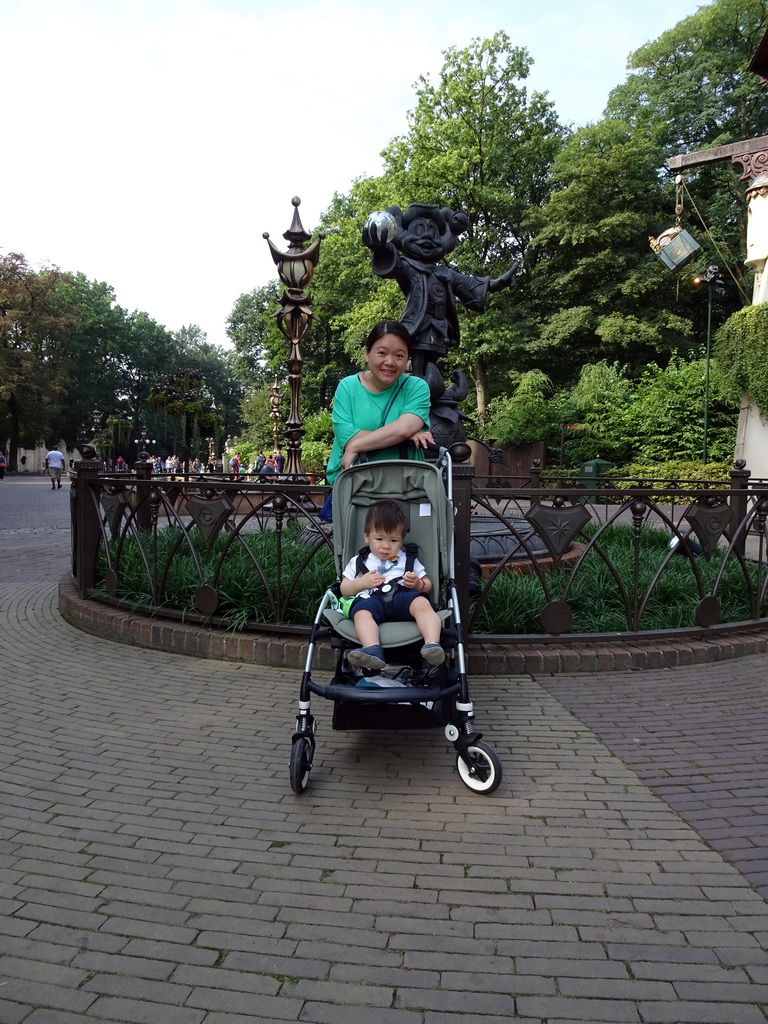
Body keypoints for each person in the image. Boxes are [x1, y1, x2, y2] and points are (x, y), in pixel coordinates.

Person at [325, 320, 433, 487]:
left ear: (407, 360)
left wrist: (356, 446)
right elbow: (346, 436)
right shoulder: (347, 387)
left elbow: (404, 428)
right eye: (382, 353)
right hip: (356, 483)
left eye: (399, 355)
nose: (390, 362)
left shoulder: (417, 387)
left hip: (406, 485)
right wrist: (404, 436)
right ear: (367, 354)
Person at [340, 499, 445, 670]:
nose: (386, 546)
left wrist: (418, 584)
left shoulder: (408, 558)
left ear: (402, 541)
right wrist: (361, 583)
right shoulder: (358, 561)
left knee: (422, 603)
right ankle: (373, 650)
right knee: (361, 613)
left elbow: (428, 585)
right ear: (366, 536)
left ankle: (432, 644)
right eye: (379, 539)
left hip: (402, 597)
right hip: (372, 600)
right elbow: (344, 589)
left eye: (394, 540)